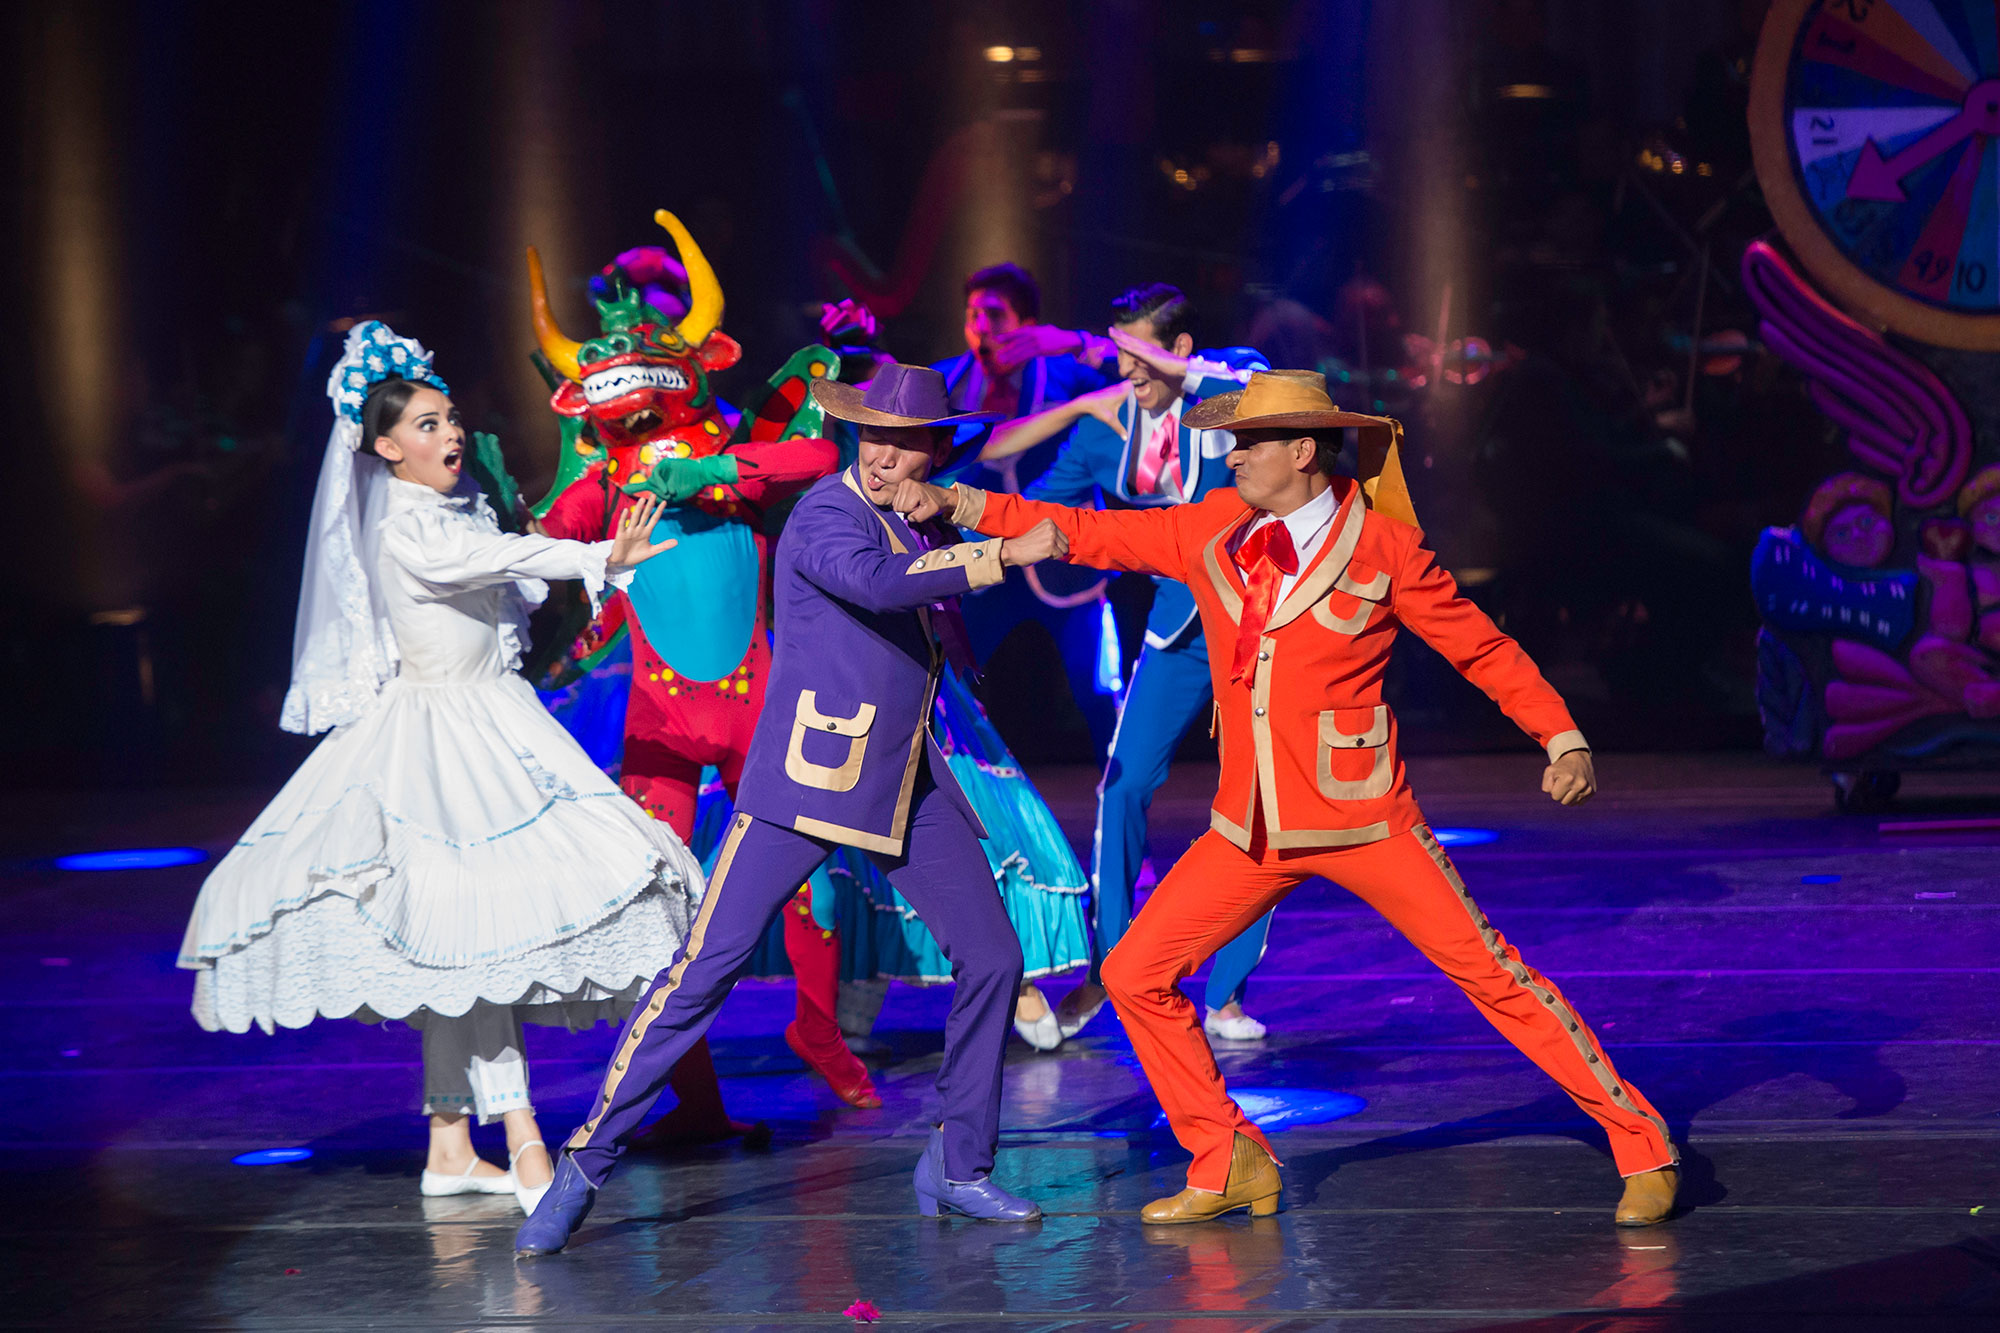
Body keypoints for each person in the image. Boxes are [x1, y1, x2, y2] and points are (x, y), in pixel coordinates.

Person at [892, 369, 1681, 1228]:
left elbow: (1481, 648)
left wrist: (1560, 734)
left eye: (1247, 444)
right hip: (1252, 823)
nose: (1229, 458)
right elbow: (1090, 532)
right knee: (1133, 972)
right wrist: (957, 503)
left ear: (1302, 451)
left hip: (1363, 815)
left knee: (1493, 977)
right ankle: (1226, 1155)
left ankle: (1642, 1141)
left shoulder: (1384, 548)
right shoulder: (1214, 531)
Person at [515, 364, 1058, 1258]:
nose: (884, 456)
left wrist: (960, 520)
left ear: (933, 449)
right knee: (705, 970)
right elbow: (881, 585)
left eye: (905, 441)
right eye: (873, 436)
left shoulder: (908, 511)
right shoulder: (826, 513)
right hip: (809, 780)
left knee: (995, 958)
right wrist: (998, 551)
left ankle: (959, 1163)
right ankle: (584, 1162)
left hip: (901, 780)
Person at [179, 322, 703, 1216]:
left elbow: (494, 554)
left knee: (463, 946)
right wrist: (592, 557)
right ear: (384, 448)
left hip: (492, 721)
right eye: (425, 424)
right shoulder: (407, 529)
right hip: (437, 743)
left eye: (449, 417)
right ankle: (527, 1138)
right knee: (474, 937)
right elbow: (493, 559)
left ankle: (451, 1143)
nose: (449, 433)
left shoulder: (456, 507)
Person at [980, 283, 1273, 1047]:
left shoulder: (1230, 381)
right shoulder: (1112, 423)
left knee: (1261, 805)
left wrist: (1168, 370)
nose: (1129, 378)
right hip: (1177, 626)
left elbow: (1257, 393)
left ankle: (1228, 994)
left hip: (1260, 623)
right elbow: (1008, 467)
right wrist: (1082, 405)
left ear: (1180, 350)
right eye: (1121, 361)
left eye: (1141, 359)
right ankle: (1109, 968)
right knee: (1122, 786)